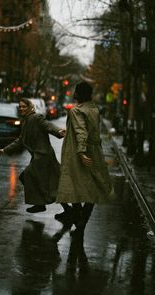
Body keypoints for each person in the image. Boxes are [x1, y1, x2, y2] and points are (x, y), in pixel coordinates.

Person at [55, 81, 115, 231]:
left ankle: (78, 217)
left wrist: (81, 152)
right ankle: (83, 218)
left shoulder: (76, 111)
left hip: (78, 154)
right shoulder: (94, 109)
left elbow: (81, 131)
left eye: (76, 91)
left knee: (72, 185)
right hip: (95, 151)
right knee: (94, 185)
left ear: (78, 93)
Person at [0, 97, 65, 213]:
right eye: (20, 106)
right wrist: (5, 150)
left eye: (24, 106)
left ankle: (41, 204)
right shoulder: (26, 121)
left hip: (43, 156)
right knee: (51, 183)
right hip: (38, 157)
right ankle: (56, 207)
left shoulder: (36, 117)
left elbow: (47, 125)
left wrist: (58, 131)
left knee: (30, 177)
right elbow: (20, 140)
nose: (21, 108)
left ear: (29, 107)